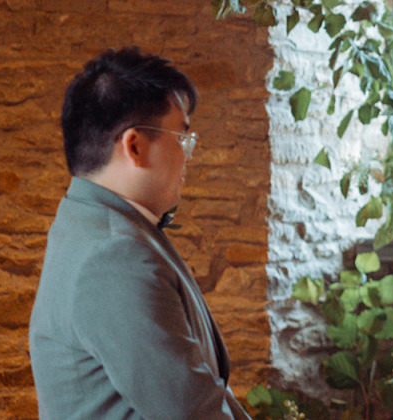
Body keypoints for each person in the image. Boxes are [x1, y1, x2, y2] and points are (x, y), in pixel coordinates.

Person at [28, 47, 249, 419]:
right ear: (134, 146)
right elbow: (192, 412)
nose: (189, 155)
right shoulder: (114, 255)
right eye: (182, 138)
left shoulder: (88, 218)